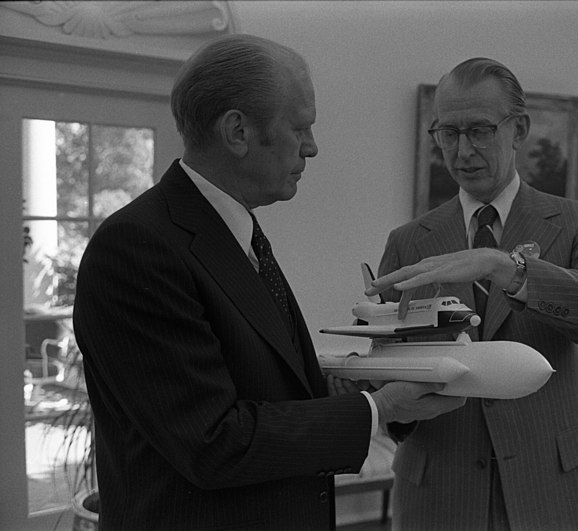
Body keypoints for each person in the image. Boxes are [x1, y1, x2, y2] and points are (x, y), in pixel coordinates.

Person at [72, 34, 465, 531]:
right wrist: (376, 409)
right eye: (300, 127)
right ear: (237, 131)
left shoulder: (236, 230)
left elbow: (251, 385)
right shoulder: (137, 246)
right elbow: (211, 441)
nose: (312, 147)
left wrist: (346, 384)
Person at [366, 57, 578, 530]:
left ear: (519, 129)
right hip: (443, 488)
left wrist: (508, 269)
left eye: (480, 129)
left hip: (560, 482)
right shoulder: (409, 240)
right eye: (447, 133)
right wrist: (380, 381)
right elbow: (387, 364)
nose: (462, 149)